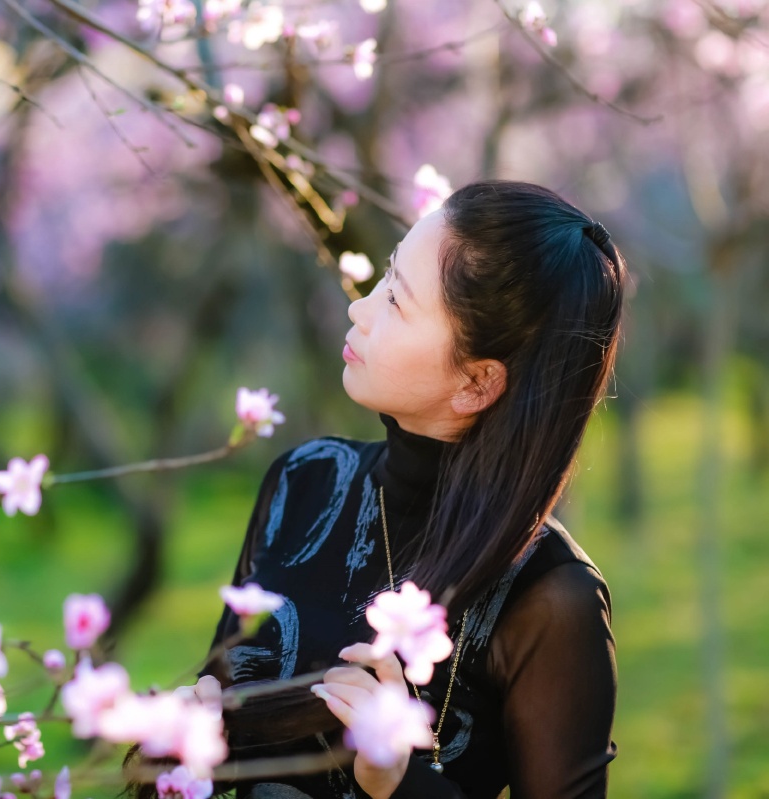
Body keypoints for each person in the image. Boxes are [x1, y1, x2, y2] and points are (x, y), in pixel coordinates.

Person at [141, 180, 624, 799]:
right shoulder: (305, 480)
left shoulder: (550, 597)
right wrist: (184, 740)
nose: (358, 309)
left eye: (395, 301)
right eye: (385, 277)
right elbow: (225, 719)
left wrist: (398, 780)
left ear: (477, 384)